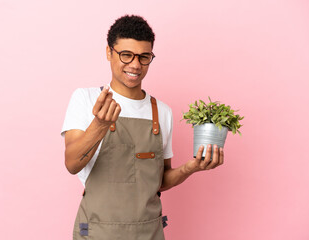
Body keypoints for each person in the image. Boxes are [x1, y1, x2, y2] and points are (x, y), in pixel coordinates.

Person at [61, 15, 224, 240]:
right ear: (109, 52)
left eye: (144, 56)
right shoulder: (86, 99)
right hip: (99, 233)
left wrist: (190, 168)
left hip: (150, 233)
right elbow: (71, 163)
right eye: (126, 55)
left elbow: (158, 182)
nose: (135, 65)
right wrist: (99, 125)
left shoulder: (162, 112)